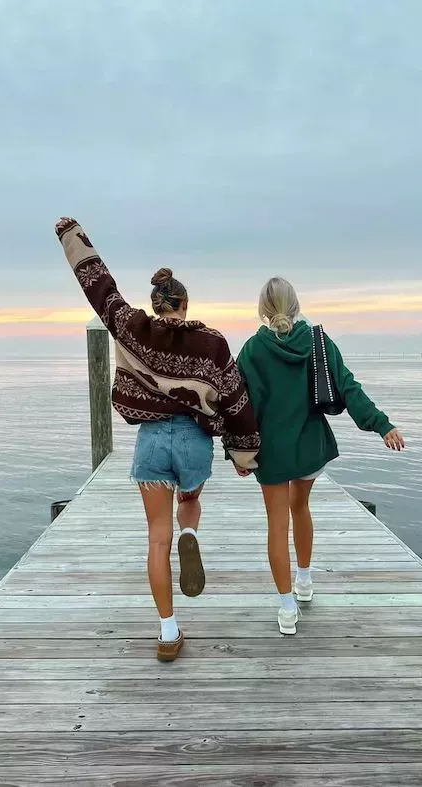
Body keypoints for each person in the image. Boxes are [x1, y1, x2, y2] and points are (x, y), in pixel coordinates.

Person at [55, 217, 260, 661]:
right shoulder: (212, 343)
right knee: (189, 500)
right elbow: (235, 399)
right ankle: (191, 530)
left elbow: (100, 288)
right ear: (183, 303)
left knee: (154, 540)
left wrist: (72, 235)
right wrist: (245, 455)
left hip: (150, 443)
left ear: (156, 301)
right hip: (193, 443)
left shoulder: (130, 327)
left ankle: (168, 633)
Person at [237, 277, 405, 635]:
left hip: (271, 453)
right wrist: (382, 425)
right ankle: (305, 580)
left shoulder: (252, 350)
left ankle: (286, 610)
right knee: (301, 508)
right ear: (295, 305)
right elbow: (348, 386)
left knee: (277, 525)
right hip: (310, 447)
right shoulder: (318, 342)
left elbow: (240, 407)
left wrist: (238, 453)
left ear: (263, 309)